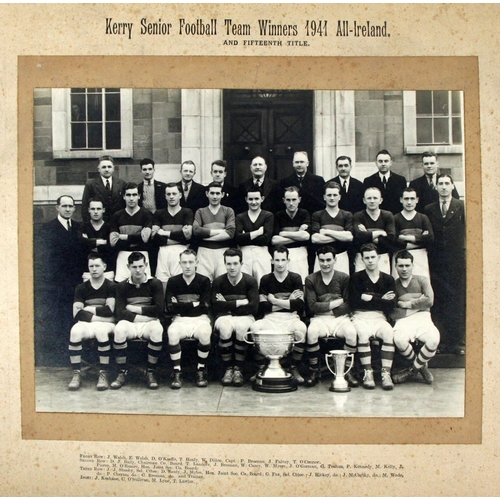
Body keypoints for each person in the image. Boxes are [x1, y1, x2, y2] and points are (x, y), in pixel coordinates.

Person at [35, 195, 86, 364]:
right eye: (64, 206)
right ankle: (61, 356)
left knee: (75, 316)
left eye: (71, 206)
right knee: (60, 317)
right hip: (58, 283)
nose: (68, 209)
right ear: (57, 207)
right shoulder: (48, 228)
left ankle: (77, 354)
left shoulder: (79, 227)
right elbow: (45, 259)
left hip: (76, 281)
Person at [303, 246, 359, 389]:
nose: (325, 263)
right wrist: (334, 303)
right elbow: (311, 307)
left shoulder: (344, 277)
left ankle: (348, 370)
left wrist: (326, 307)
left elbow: (349, 304)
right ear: (318, 261)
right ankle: (314, 370)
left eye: (329, 260)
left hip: (340, 319)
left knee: (352, 333)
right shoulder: (311, 279)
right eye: (322, 260)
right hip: (319, 319)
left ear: (335, 260)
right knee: (311, 332)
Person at [249, 246, 307, 384]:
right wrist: (288, 301)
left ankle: (294, 367)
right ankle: (261, 367)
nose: (280, 263)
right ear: (272, 261)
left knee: (301, 329)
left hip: (291, 317)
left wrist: (274, 301)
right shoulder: (266, 279)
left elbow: (298, 305)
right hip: (270, 318)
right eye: (277, 260)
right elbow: (262, 306)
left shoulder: (295, 278)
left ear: (288, 260)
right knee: (254, 327)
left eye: (283, 260)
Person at [424, 174, 466, 355]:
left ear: (452, 186)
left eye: (447, 183)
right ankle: (439, 342)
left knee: (456, 299)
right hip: (436, 262)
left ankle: (456, 342)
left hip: (456, 261)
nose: (443, 187)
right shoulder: (429, 209)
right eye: (440, 184)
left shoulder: (461, 206)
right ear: (436, 187)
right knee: (439, 299)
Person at [110, 252, 164, 390]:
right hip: (131, 324)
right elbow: (120, 313)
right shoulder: (122, 286)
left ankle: (150, 372)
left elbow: (159, 309)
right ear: (128, 267)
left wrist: (134, 308)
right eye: (134, 267)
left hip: (148, 324)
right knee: (119, 329)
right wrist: (145, 316)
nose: (138, 270)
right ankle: (122, 372)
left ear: (146, 265)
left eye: (141, 266)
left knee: (157, 330)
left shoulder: (155, 283)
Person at [349, 243, 397, 390]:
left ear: (378, 258)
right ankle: (367, 372)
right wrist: (382, 298)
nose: (370, 260)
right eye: (367, 258)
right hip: (360, 316)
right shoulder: (356, 277)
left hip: (379, 317)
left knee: (389, 332)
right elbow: (354, 301)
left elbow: (391, 305)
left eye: (373, 257)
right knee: (362, 334)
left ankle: (385, 373)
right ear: (362, 260)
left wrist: (371, 298)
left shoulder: (388, 279)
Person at [67, 253, 116, 391]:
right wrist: (99, 316)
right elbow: (77, 314)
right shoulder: (81, 288)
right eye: (91, 266)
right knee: (75, 331)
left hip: (107, 324)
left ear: (104, 267)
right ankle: (76, 374)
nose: (94, 269)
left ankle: (103, 373)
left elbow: (110, 311)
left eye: (97, 266)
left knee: (101, 332)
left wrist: (88, 309)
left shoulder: (112, 286)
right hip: (90, 323)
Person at [390, 251, 439, 385]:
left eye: (407, 265)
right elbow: (393, 312)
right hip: (403, 320)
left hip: (423, 318)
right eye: (401, 266)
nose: (404, 269)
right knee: (399, 340)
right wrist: (419, 303)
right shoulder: (393, 284)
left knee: (434, 339)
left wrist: (407, 303)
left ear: (412, 266)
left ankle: (412, 370)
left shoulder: (422, 280)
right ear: (395, 266)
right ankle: (422, 367)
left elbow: (429, 302)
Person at [211, 248, 259, 386]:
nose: (232, 267)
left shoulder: (250, 281)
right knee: (225, 327)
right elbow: (215, 306)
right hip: (224, 317)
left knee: (242, 327)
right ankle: (228, 368)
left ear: (241, 263)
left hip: (245, 316)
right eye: (229, 264)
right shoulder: (218, 281)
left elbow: (254, 307)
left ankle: (238, 368)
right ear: (224, 264)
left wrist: (226, 304)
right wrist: (239, 302)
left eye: (235, 263)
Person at [165, 249, 212, 389]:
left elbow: (205, 307)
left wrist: (180, 305)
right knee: (172, 333)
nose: (187, 266)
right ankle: (177, 372)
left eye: (191, 262)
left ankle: (201, 369)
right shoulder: (173, 281)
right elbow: (170, 307)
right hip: (179, 320)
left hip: (200, 319)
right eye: (184, 262)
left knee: (204, 333)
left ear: (196, 263)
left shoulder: (204, 281)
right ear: (179, 263)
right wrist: (194, 303)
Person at [151, 182, 193, 293]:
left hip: (181, 252)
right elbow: (155, 238)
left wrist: (165, 233)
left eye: (174, 193)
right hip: (163, 253)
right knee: (163, 284)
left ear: (180, 195)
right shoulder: (159, 213)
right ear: (165, 196)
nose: (171, 196)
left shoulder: (187, 212)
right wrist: (179, 237)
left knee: (181, 284)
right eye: (168, 194)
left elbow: (187, 236)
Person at [109, 182, 153, 282]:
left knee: (143, 287)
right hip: (123, 256)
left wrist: (124, 237)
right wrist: (137, 236)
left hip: (142, 255)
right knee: (122, 287)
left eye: (134, 195)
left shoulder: (147, 214)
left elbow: (145, 238)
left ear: (139, 196)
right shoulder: (117, 215)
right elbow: (112, 241)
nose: (131, 198)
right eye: (128, 195)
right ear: (124, 196)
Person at [193, 182, 236, 281]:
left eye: (217, 193)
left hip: (223, 251)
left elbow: (230, 233)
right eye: (212, 193)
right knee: (204, 282)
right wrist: (220, 231)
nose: (215, 196)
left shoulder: (228, 211)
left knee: (222, 282)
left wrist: (204, 235)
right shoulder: (200, 211)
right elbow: (196, 230)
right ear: (207, 194)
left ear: (222, 194)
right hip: (204, 253)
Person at [311, 181, 353, 275]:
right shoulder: (317, 215)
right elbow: (315, 238)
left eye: (335, 195)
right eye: (329, 195)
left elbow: (349, 237)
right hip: (322, 259)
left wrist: (326, 231)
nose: (332, 198)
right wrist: (340, 235)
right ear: (324, 197)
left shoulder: (347, 215)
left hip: (341, 257)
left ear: (339, 197)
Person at [235, 186, 274, 285]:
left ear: (262, 199)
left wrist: (246, 235)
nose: (253, 202)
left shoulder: (268, 216)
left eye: (256, 199)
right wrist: (257, 233)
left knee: (263, 284)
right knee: (244, 284)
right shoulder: (240, 217)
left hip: (262, 253)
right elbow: (238, 238)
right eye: (250, 199)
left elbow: (265, 239)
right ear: (246, 199)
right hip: (244, 254)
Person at [392, 187, 434, 279]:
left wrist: (408, 238)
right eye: (406, 199)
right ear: (401, 200)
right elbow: (394, 241)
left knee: (420, 284)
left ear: (417, 200)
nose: (409, 202)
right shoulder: (395, 218)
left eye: (412, 199)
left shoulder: (423, 218)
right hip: (400, 257)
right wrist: (420, 240)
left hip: (420, 257)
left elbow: (430, 238)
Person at [271, 186, 311, 282]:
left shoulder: (304, 214)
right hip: (283, 255)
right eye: (288, 200)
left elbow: (306, 236)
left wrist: (283, 233)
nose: (291, 203)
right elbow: (274, 240)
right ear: (284, 200)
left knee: (301, 282)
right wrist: (298, 234)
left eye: (294, 199)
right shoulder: (279, 215)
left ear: (299, 200)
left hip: (300, 253)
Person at [353, 187, 395, 274]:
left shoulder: (387, 215)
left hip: (382, 255)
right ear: (364, 200)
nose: (372, 201)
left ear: (381, 200)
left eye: (375, 198)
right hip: (363, 257)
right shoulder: (358, 216)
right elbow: (358, 237)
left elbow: (391, 239)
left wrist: (367, 233)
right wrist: (380, 232)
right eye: (369, 198)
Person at [78, 197, 115, 280]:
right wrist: (101, 242)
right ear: (88, 210)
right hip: (88, 271)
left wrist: (90, 242)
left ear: (103, 210)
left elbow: (111, 246)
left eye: (98, 209)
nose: (95, 212)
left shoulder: (109, 227)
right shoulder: (83, 226)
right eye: (93, 209)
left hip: (107, 270)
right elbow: (81, 243)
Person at [81, 156, 126, 223]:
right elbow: (85, 207)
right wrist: (88, 226)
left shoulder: (122, 184)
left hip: (117, 223)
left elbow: (124, 205)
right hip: (99, 224)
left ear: (113, 168)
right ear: (99, 169)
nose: (107, 169)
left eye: (109, 167)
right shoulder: (91, 184)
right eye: (104, 167)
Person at [363, 149, 407, 215]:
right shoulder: (368, 181)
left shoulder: (400, 180)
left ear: (391, 162)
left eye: (386, 161)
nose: (383, 164)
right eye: (380, 161)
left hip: (395, 217)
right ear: (376, 163)